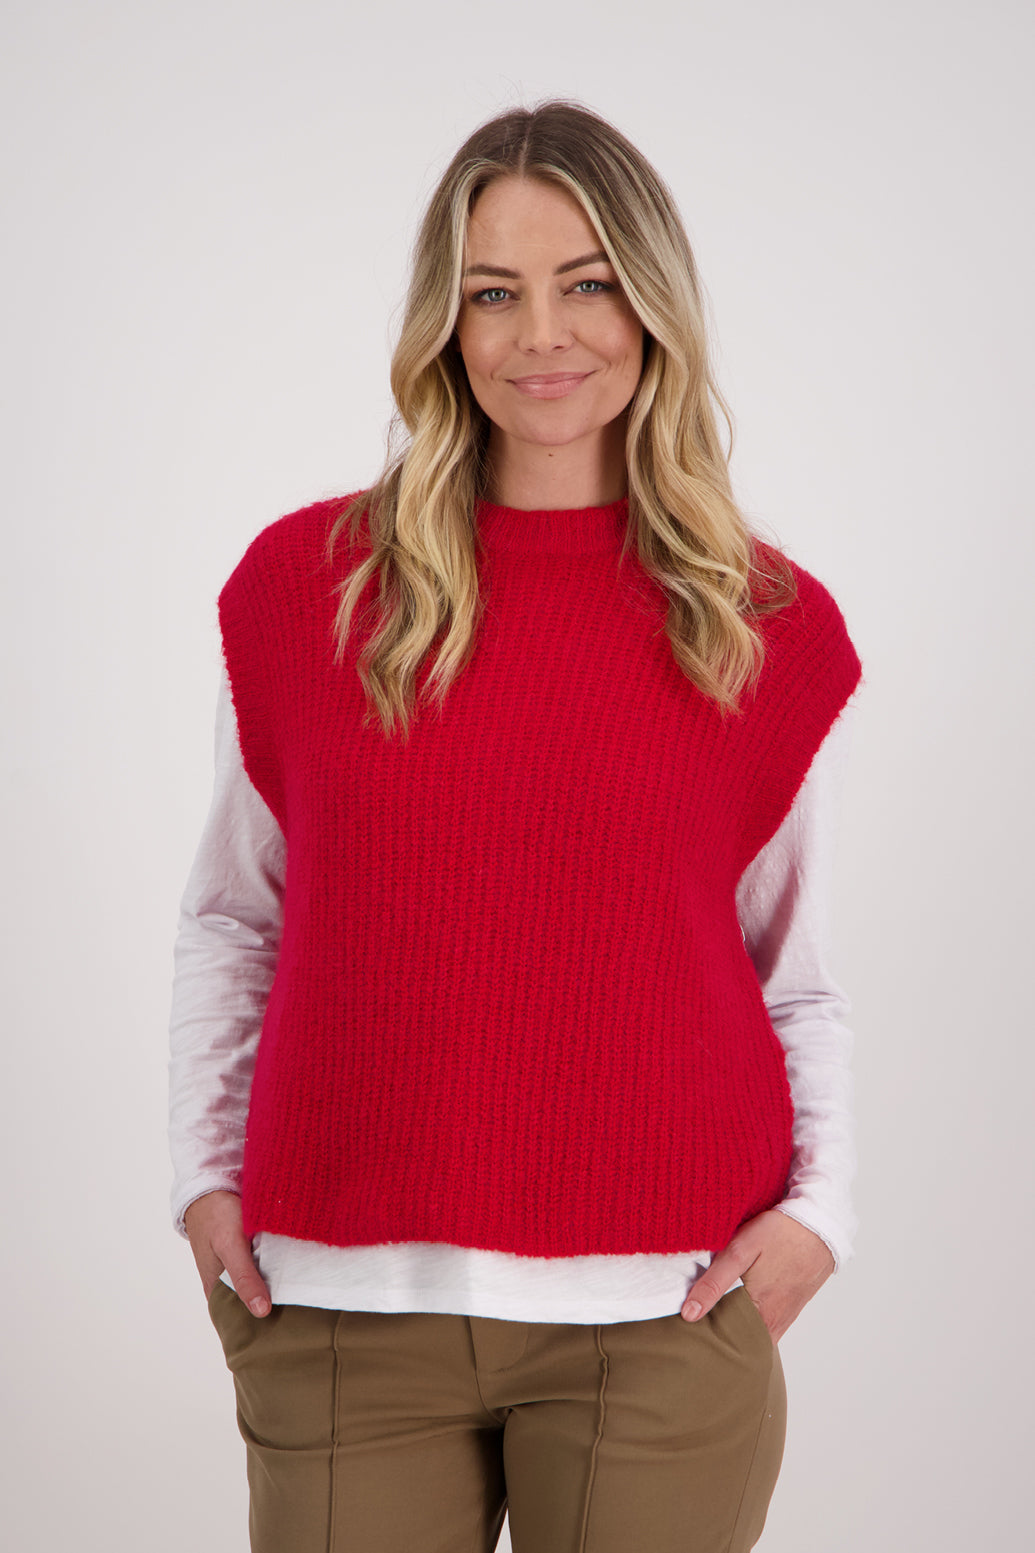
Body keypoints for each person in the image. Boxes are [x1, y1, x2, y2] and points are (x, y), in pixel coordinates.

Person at [169, 99, 862, 1553]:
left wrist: (822, 1214)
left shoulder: (759, 624)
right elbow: (237, 913)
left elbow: (793, 970)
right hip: (342, 1309)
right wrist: (204, 1176)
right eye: (493, 293)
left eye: (585, 282)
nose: (542, 333)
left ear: (652, 302)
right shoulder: (307, 591)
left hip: (666, 1319)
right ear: (446, 322)